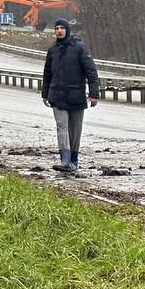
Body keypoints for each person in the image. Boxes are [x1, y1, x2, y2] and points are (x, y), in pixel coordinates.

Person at [41, 18, 99, 173]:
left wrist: (94, 94)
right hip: (57, 96)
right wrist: (45, 94)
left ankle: (73, 160)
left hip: (76, 96)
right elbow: (47, 73)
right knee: (62, 127)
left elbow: (91, 72)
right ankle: (65, 160)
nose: (59, 30)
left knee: (75, 130)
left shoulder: (80, 48)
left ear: (67, 30)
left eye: (62, 28)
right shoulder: (52, 50)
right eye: (56, 28)